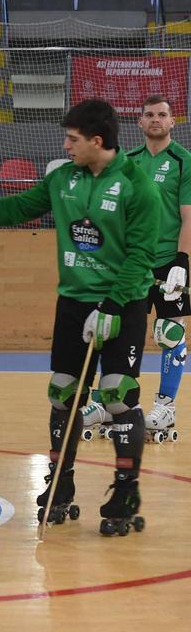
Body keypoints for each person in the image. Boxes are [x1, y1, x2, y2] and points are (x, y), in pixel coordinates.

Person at [0, 99, 158, 536]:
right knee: (63, 393)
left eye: (73, 139)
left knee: (118, 394)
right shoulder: (62, 178)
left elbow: (142, 255)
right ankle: (60, 484)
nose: (65, 146)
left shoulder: (137, 185)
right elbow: (18, 208)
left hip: (123, 303)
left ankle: (125, 489)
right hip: (73, 303)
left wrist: (113, 306)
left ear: (97, 141)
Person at [82, 95, 191, 442]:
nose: (156, 119)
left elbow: (189, 216)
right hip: (133, 265)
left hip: (168, 264)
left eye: (162, 114)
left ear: (173, 122)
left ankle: (166, 405)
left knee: (169, 333)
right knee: (115, 331)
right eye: (149, 115)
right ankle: (106, 400)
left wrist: (182, 262)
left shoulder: (183, 161)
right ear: (139, 123)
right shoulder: (127, 162)